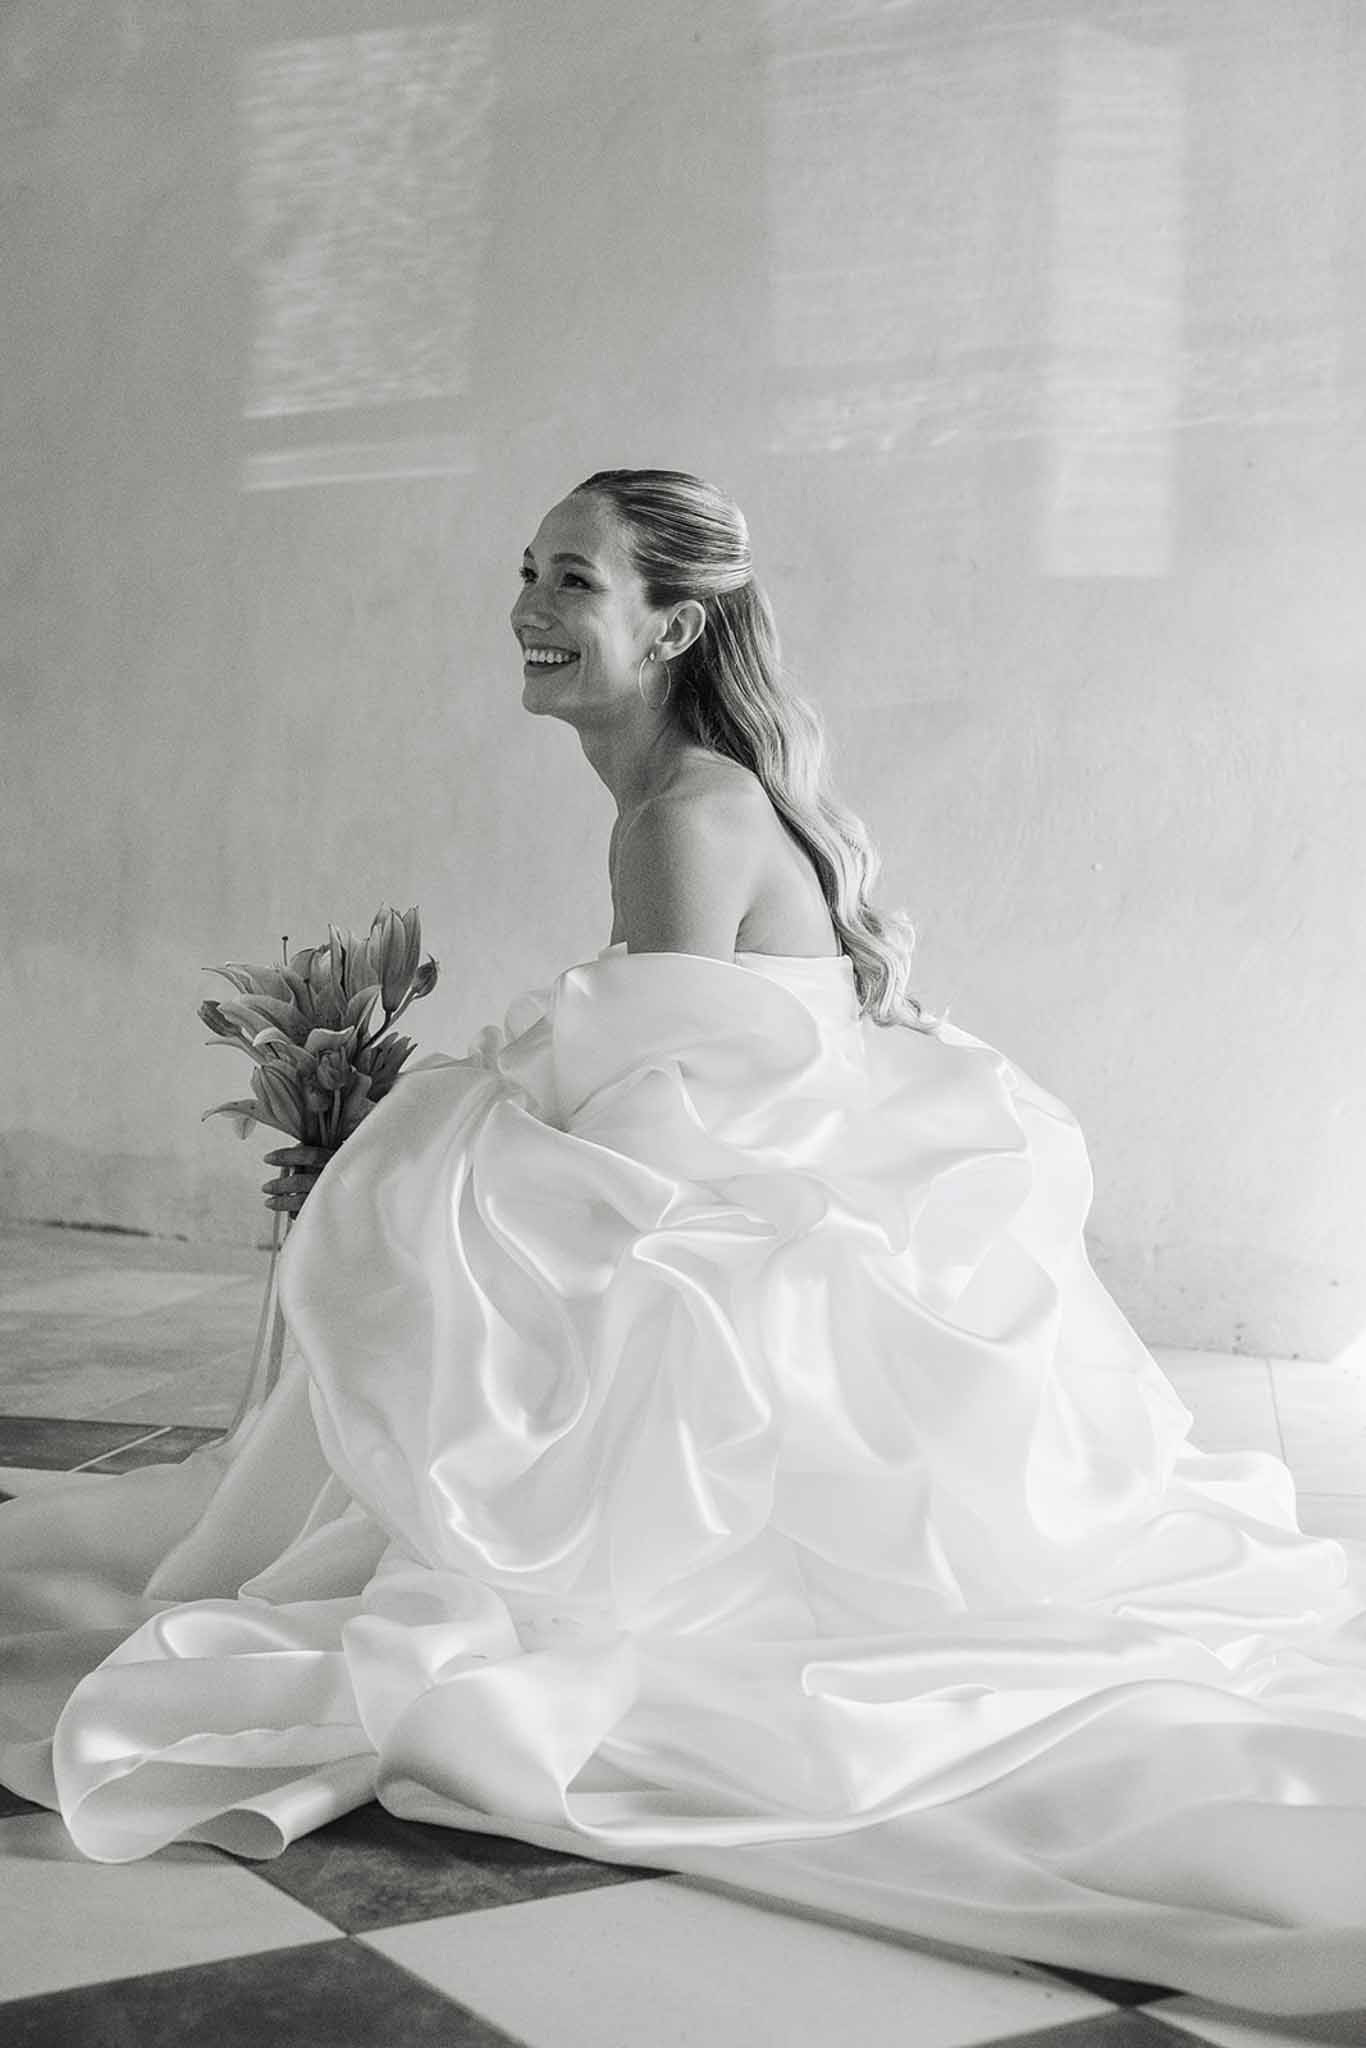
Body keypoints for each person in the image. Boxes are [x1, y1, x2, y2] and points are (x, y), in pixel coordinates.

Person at [3, 469, 1366, 2017]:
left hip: (750, 1221)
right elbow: (671, 1082)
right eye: (527, 570)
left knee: (439, 1254)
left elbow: (640, 1156)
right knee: (430, 1215)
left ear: (676, 621)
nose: (528, 606)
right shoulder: (694, 795)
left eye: (573, 580)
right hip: (768, 1172)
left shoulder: (683, 819)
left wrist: (414, 1154)